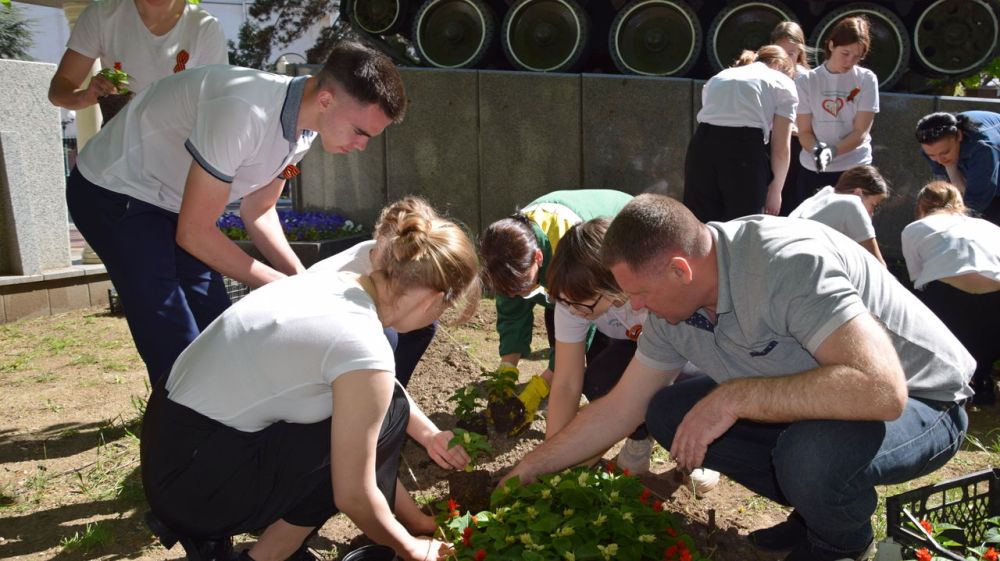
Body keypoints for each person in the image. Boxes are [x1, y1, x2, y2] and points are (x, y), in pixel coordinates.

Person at [504, 194, 973, 561]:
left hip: (925, 400)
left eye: (641, 293)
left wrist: (734, 398)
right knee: (667, 410)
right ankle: (814, 512)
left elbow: (881, 391)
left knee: (807, 456)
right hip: (829, 398)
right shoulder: (672, 311)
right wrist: (531, 468)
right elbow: (621, 407)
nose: (637, 308)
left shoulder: (787, 264)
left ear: (679, 269)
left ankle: (844, 542)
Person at [141, 202, 480, 561]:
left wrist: (420, 523)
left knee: (379, 411)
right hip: (195, 489)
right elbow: (353, 494)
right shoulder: (362, 344)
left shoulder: (335, 282)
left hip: (170, 448)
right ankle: (267, 556)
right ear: (434, 298)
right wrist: (412, 548)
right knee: (370, 427)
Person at [66, 41, 406, 385]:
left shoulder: (306, 132)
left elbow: (258, 211)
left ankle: (215, 418)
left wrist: (303, 281)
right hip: (112, 190)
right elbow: (194, 234)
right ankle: (181, 430)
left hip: (170, 201)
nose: (361, 146)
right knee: (172, 335)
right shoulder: (244, 110)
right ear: (325, 100)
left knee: (217, 325)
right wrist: (288, 288)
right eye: (360, 132)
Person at [544, 218, 721, 491]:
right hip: (642, 349)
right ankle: (639, 440)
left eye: (582, 304)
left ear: (613, 285)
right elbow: (566, 382)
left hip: (694, 351)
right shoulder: (574, 299)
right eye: (565, 302)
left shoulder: (653, 294)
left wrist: (575, 462)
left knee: (669, 401)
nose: (573, 310)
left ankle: (701, 450)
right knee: (599, 379)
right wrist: (551, 460)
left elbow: (654, 380)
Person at [479, 189, 633, 433]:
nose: (518, 295)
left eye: (522, 287)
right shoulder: (508, 251)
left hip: (624, 242)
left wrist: (542, 385)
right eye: (509, 290)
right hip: (578, 291)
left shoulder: (566, 246)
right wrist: (507, 370)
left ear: (538, 257)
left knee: (603, 357)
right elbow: (512, 312)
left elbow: (584, 320)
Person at [309, 197, 439, 387]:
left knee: (425, 325)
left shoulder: (408, 262)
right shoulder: (343, 271)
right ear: (380, 241)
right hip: (317, 352)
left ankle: (393, 391)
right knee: (387, 335)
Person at [902, 181, 1000, 405]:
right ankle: (983, 381)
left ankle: (953, 383)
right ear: (959, 204)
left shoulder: (915, 228)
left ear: (921, 207)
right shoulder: (989, 226)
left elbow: (916, 278)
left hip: (950, 293)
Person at [683, 45, 797, 222]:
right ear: (779, 65)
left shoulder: (719, 77)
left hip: (702, 146)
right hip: (743, 151)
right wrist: (776, 190)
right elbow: (781, 148)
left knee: (699, 225)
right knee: (743, 228)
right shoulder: (783, 83)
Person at [49, 0, 228, 113]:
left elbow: (217, 106)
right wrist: (85, 97)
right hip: (117, 157)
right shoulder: (101, 15)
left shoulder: (205, 27)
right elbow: (58, 90)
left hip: (179, 157)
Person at [795, 16, 879, 202]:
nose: (849, 61)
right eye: (845, 53)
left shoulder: (866, 79)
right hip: (814, 166)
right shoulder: (807, 81)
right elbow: (805, 131)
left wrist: (832, 151)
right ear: (832, 45)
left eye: (857, 57)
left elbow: (861, 131)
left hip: (854, 165)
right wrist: (818, 151)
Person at [789, 164, 889, 266]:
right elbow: (879, 266)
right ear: (858, 193)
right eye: (873, 205)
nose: (872, 213)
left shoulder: (819, 198)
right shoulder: (852, 203)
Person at [915, 111, 1000, 225]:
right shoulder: (931, 151)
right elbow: (948, 190)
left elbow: (976, 200)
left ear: (959, 136)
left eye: (945, 152)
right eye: (932, 156)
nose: (939, 160)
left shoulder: (983, 148)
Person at [770, 21, 812, 216]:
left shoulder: (805, 78)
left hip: (795, 144)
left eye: (792, 54)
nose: (786, 60)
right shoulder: (765, 75)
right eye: (781, 52)